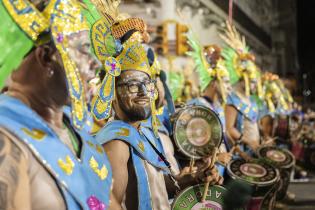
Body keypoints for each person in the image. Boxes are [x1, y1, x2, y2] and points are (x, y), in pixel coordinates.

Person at [0, 0, 117, 209]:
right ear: (46, 57)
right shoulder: (6, 138)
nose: (95, 63)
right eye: (83, 50)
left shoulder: (77, 133)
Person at [185, 33, 233, 176]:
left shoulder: (218, 107)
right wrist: (217, 158)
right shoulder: (196, 106)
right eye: (225, 81)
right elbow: (189, 146)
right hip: (206, 173)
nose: (229, 86)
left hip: (222, 170)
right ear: (214, 83)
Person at [220, 22, 260, 154]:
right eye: (252, 81)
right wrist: (248, 141)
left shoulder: (251, 99)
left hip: (255, 148)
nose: (254, 85)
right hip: (241, 152)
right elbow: (229, 128)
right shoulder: (233, 98)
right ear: (243, 79)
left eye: (256, 81)